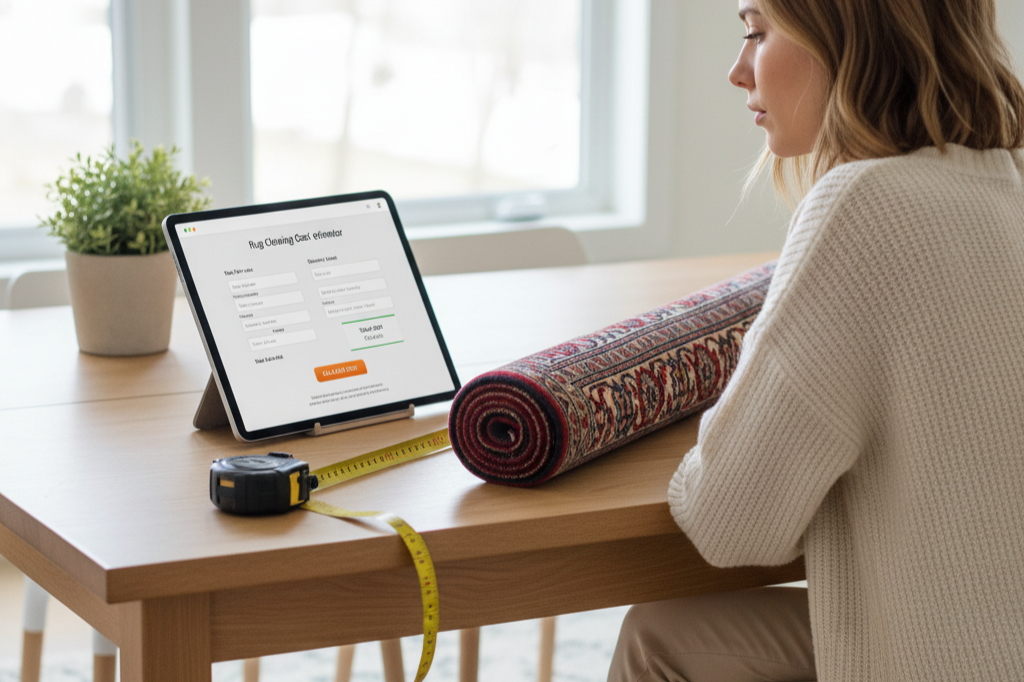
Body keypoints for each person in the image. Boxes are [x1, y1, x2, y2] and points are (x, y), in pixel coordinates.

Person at [608, 0, 1024, 680]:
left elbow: (730, 524)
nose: (737, 71)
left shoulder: (866, 204)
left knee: (656, 638)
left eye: (757, 31)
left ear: (848, 36)